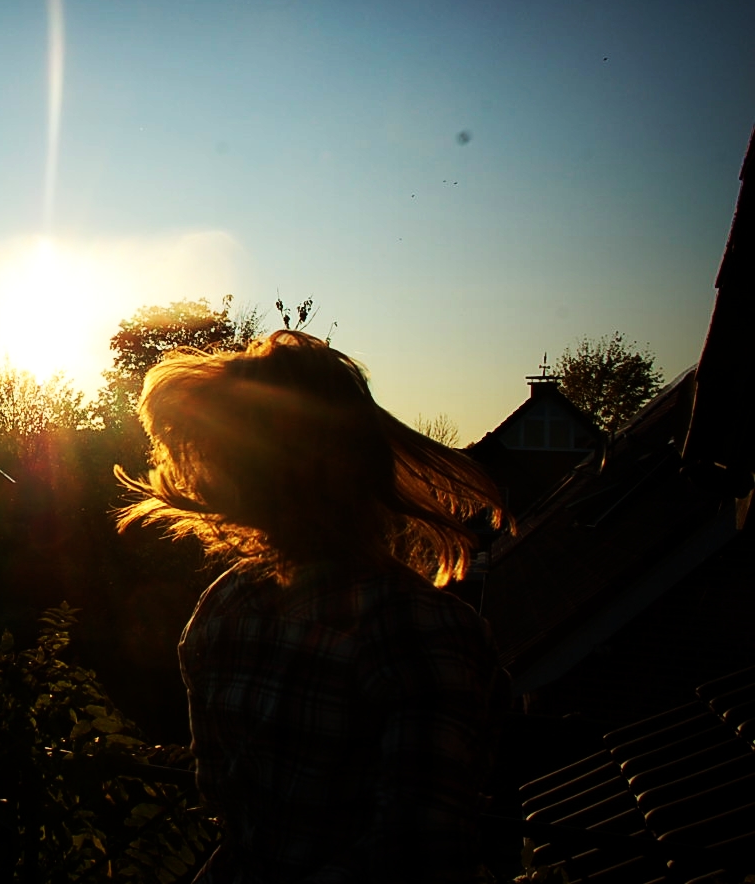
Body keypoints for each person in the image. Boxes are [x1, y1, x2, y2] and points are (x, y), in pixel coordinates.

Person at [117, 331, 509, 884]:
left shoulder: (223, 610)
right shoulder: (422, 630)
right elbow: (419, 855)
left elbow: (227, 804)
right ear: (364, 463)